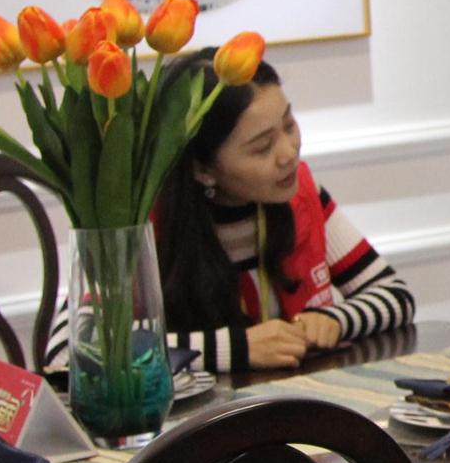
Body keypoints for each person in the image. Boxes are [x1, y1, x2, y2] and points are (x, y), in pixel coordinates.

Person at [48, 48, 414, 375]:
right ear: (202, 169)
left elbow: (395, 295)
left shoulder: (301, 194)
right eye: (262, 147)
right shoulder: (139, 222)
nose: (289, 153)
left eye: (289, 125)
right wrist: (237, 349)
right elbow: (70, 350)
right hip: (191, 422)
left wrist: (335, 318)